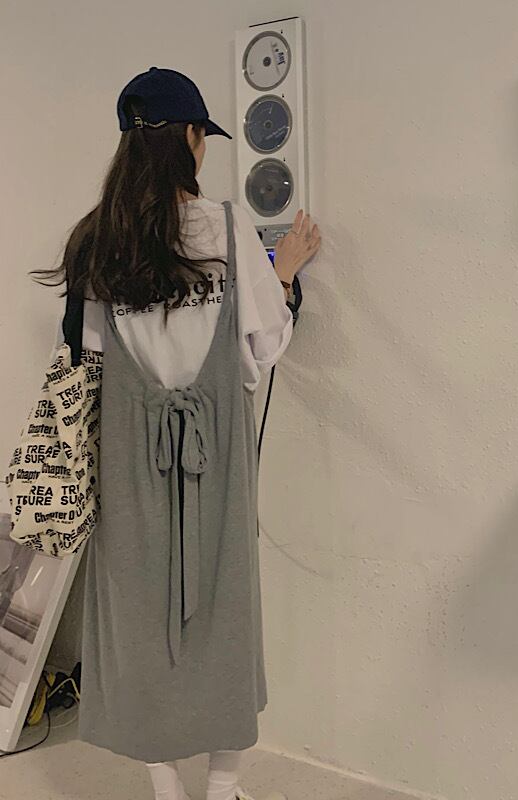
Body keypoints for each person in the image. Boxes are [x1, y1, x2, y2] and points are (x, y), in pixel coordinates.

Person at [35, 67, 321, 800]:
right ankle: (222, 786)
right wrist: (284, 275)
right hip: (214, 452)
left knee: (133, 614)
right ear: (192, 138)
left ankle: (164, 785)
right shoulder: (227, 228)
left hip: (129, 454)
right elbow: (262, 348)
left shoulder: (98, 241)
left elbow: (88, 355)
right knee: (225, 610)